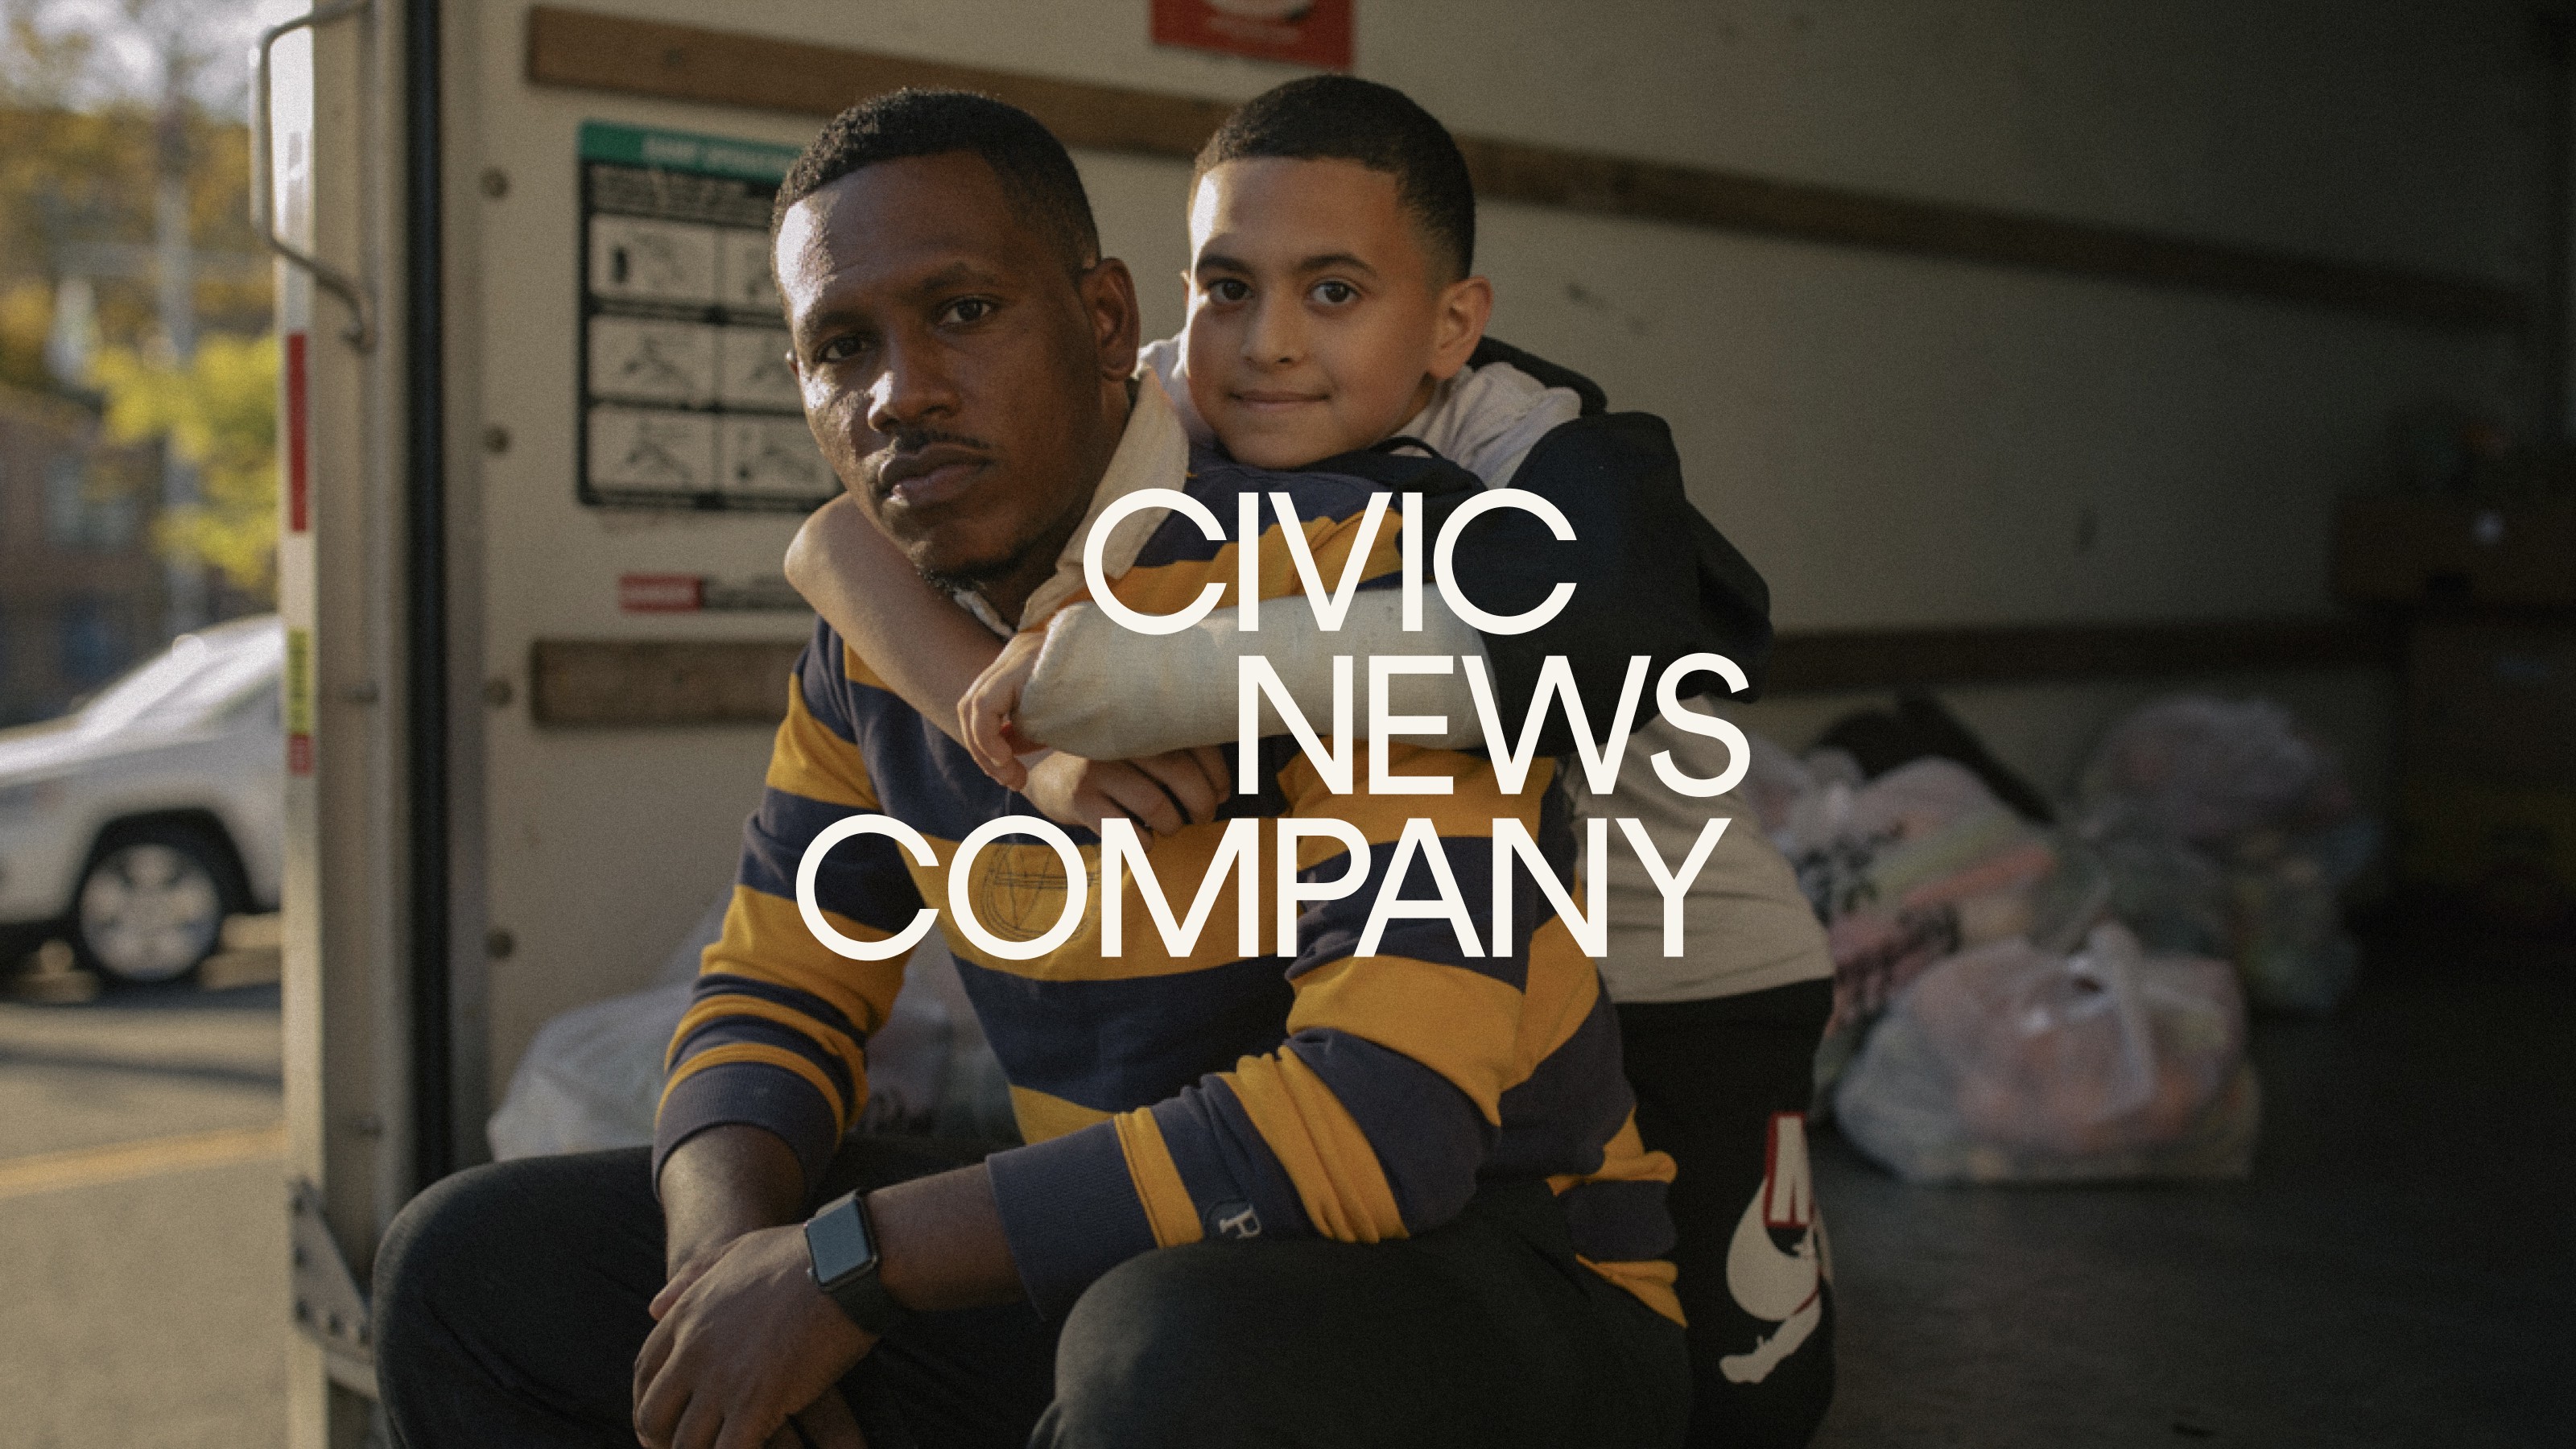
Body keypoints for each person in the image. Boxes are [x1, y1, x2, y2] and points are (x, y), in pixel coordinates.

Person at [374, 89, 1691, 1449]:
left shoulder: (1360, 586)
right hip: (1136, 1258)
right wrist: (729, 1272)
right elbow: (777, 987)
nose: (902, 393)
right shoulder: (876, 644)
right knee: (472, 1267)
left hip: (1507, 1288)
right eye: (841, 347)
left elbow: (1382, 1133)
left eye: (962, 312)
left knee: (1166, 1357)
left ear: (1109, 321)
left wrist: (851, 1266)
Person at [786, 76, 1837, 1446]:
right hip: (1493, 981)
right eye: (1229, 285)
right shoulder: (1179, 392)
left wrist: (1130, 685)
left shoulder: (1513, 439)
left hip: (1684, 958)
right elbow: (835, 545)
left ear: (1453, 326)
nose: (1271, 342)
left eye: (1335, 292)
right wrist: (1030, 752)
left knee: (1740, 1409)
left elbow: (1643, 622)